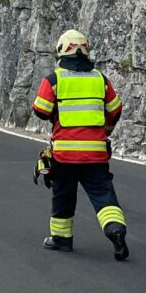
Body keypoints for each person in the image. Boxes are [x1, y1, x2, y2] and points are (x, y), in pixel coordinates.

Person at [33, 29, 128, 260]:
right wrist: (104, 131)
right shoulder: (100, 79)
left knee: (63, 196)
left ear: (61, 51)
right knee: (104, 196)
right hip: (96, 154)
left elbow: (40, 110)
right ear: (86, 50)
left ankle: (62, 239)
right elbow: (115, 109)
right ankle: (115, 231)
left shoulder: (55, 79)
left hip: (65, 155)